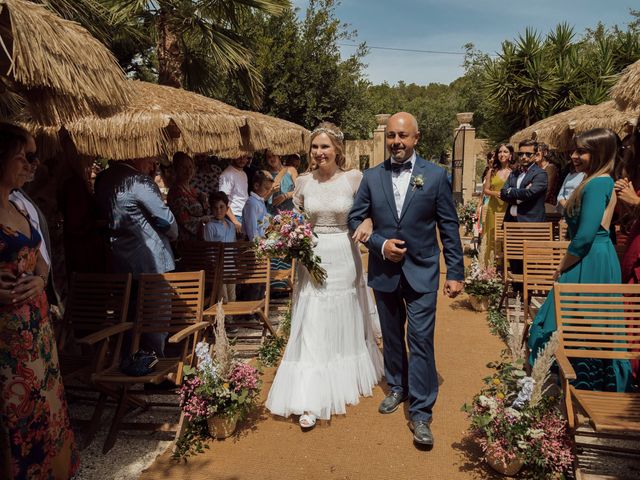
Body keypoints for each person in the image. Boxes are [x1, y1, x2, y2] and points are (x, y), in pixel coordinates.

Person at [349, 112, 465, 447]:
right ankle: (397, 386)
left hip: (423, 270)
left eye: (403, 136)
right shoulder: (372, 177)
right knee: (392, 335)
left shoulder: (436, 175)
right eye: (391, 136)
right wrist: (380, 244)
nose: (396, 142)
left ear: (416, 138)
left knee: (421, 339)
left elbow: (449, 226)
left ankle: (421, 412)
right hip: (384, 272)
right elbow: (355, 218)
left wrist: (455, 271)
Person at [266, 122, 383, 430]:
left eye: (325, 146)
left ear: (337, 150)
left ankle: (340, 378)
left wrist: (369, 221)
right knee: (313, 319)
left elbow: (370, 209)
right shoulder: (303, 182)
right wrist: (290, 236)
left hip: (345, 254)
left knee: (341, 313)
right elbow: (297, 220)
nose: (319, 152)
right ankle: (310, 396)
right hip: (313, 256)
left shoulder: (354, 178)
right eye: (315, 147)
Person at [0, 123, 79, 479]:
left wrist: (41, 279)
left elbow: (41, 256)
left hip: (38, 336)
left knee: (47, 414)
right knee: (15, 420)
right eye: (26, 157)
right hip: (7, 341)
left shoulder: (18, 203)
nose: (34, 165)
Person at [527, 128, 632, 392]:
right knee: (577, 324)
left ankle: (575, 386)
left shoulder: (597, 183)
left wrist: (561, 267)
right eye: (574, 150)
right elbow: (602, 227)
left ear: (600, 153)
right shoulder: (600, 180)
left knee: (565, 323)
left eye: (582, 151)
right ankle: (579, 386)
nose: (574, 156)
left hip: (588, 259)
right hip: (596, 255)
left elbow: (585, 236)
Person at [95, 156, 178, 355]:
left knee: (128, 318)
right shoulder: (137, 180)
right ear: (135, 154)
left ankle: (129, 365)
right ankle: (152, 369)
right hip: (150, 261)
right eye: (150, 159)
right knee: (155, 321)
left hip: (119, 260)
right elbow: (166, 220)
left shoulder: (103, 179)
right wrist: (175, 235)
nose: (153, 165)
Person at [167, 152, 213, 241]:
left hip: (200, 239)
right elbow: (184, 220)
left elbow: (205, 211)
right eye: (184, 167)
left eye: (190, 167)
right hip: (187, 242)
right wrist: (202, 219)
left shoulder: (193, 190)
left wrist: (204, 202)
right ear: (176, 169)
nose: (188, 170)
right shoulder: (176, 192)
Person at [500, 139, 548, 223]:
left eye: (528, 154)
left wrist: (510, 191)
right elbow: (503, 193)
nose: (524, 157)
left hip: (531, 223)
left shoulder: (540, 174)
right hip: (510, 221)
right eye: (521, 154)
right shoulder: (514, 173)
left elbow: (530, 193)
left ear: (536, 155)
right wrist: (522, 193)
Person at [481, 144, 513, 265]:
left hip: (508, 208)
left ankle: (507, 265)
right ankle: (491, 267)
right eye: (500, 152)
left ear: (510, 155)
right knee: (492, 236)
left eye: (505, 152)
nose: (502, 154)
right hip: (493, 208)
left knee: (506, 236)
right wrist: (497, 193)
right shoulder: (492, 171)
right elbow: (486, 190)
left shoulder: (514, 172)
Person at [203, 191, 237, 303]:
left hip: (231, 267)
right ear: (211, 209)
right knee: (223, 298)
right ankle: (224, 320)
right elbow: (209, 250)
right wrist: (214, 268)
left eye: (221, 207)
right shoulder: (210, 226)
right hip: (218, 268)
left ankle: (231, 320)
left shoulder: (231, 225)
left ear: (227, 208)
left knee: (232, 297)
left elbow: (234, 246)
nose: (218, 211)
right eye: (215, 208)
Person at [219, 154, 250, 236]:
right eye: (239, 156)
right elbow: (223, 200)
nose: (242, 159)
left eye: (244, 157)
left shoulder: (243, 173)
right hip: (234, 216)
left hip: (244, 215)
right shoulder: (227, 174)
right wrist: (235, 221)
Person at [242, 170, 274, 241]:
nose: (269, 192)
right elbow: (252, 231)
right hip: (253, 245)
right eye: (266, 188)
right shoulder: (252, 203)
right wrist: (259, 245)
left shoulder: (260, 201)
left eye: (270, 189)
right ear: (256, 186)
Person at [535, 142, 560, 208]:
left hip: (547, 205)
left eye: (537, 153)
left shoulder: (550, 168)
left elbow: (548, 190)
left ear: (545, 152)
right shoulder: (535, 168)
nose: (535, 155)